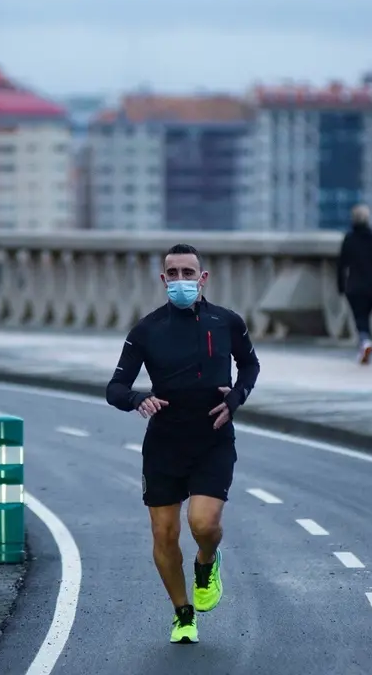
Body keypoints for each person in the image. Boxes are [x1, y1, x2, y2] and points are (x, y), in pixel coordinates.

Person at [105, 243, 260, 645]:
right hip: (164, 444)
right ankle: (182, 612)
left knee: (204, 524)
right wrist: (138, 399)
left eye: (187, 273)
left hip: (213, 439)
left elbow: (250, 365)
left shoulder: (227, 322)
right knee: (165, 535)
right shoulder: (146, 330)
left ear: (202, 278)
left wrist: (236, 397)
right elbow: (115, 387)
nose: (180, 281)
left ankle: (207, 562)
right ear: (163, 279)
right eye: (172, 274)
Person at [336, 204, 372, 364]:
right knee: (365, 315)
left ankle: (365, 341)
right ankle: (365, 343)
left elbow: (341, 265)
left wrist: (340, 286)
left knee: (360, 317)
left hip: (354, 286)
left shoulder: (349, 240)